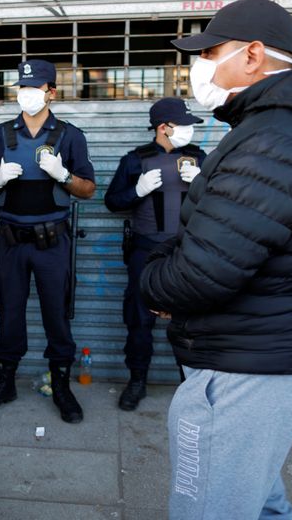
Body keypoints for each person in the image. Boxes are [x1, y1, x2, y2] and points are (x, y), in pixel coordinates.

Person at [139, 0, 292, 519]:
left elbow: (204, 271)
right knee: (261, 502)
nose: (198, 67)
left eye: (209, 52)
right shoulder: (282, 127)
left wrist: (154, 283)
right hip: (269, 356)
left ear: (251, 55)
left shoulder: (275, 138)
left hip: (247, 372)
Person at [0, 59, 95, 423]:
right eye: (22, 89)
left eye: (34, 88)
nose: (26, 95)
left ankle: (61, 385)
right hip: (11, 241)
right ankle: (5, 381)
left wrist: (63, 175)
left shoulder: (70, 135)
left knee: (56, 314)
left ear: (51, 93)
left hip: (52, 242)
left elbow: (88, 189)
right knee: (9, 312)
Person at [104, 98, 206, 411]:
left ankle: (192, 384)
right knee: (139, 317)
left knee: (190, 320)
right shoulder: (135, 160)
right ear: (164, 127)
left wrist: (202, 184)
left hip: (187, 252)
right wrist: (137, 191)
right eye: (184, 125)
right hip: (146, 251)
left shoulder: (200, 158)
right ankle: (137, 381)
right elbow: (112, 201)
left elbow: (223, 204)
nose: (189, 131)